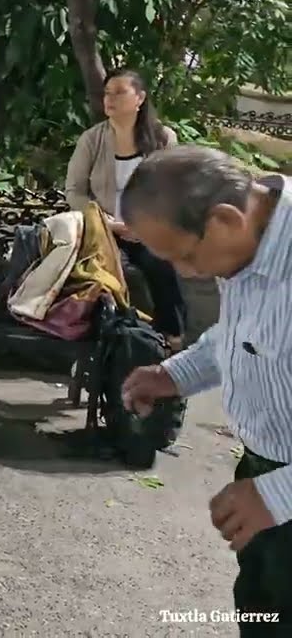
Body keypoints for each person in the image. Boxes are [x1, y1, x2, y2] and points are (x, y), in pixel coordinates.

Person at [120, 146, 292, 636]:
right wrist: (175, 374)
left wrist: (278, 495)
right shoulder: (251, 241)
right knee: (263, 612)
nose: (188, 273)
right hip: (263, 478)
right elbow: (241, 333)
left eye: (186, 257)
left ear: (223, 219)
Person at [65, 68, 186, 350]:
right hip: (103, 229)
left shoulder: (163, 139)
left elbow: (171, 191)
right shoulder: (92, 139)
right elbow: (74, 191)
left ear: (140, 98)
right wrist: (107, 222)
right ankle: (107, 341)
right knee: (103, 273)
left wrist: (145, 226)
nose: (111, 99)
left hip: (148, 228)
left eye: (120, 92)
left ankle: (173, 339)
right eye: (107, 92)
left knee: (162, 264)